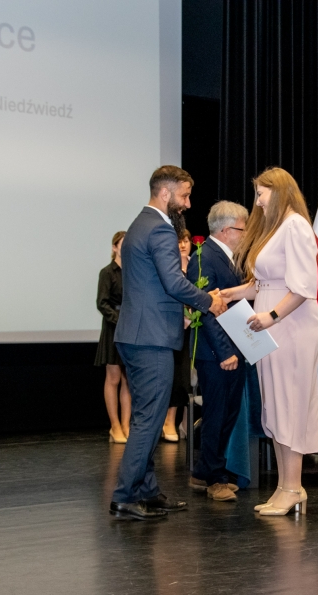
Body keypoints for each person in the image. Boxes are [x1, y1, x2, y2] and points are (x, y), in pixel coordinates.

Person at [110, 165, 227, 522]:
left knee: (147, 416)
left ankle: (146, 490)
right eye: (185, 195)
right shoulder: (160, 229)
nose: (188, 204)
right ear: (165, 193)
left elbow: (155, 285)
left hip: (137, 335)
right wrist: (209, 301)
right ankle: (125, 496)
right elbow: (173, 282)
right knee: (149, 419)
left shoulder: (138, 225)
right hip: (151, 339)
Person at [220, 167, 318, 516]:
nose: (258, 201)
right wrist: (231, 293)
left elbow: (303, 287)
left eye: (261, 193)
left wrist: (271, 316)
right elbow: (263, 283)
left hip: (291, 327)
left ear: (278, 191)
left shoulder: (295, 226)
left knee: (289, 405)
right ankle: (285, 486)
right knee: (276, 407)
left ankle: (293, 487)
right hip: (272, 328)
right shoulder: (276, 228)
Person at [187, 201, 250, 502]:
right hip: (216, 353)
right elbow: (206, 310)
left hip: (234, 348)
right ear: (226, 230)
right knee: (216, 414)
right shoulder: (203, 257)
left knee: (227, 413)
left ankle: (205, 471)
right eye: (242, 229)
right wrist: (225, 352)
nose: (246, 234)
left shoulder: (227, 257)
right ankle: (214, 479)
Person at [95, 231, 131, 444]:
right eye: (122, 244)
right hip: (113, 328)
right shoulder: (107, 272)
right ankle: (114, 426)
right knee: (114, 378)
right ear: (114, 247)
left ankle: (126, 425)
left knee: (128, 379)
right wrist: (119, 320)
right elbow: (102, 303)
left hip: (131, 329)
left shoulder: (134, 272)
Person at [162, 229, 193, 443]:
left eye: (186, 240)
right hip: (174, 329)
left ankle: (185, 422)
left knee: (190, 379)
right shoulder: (169, 267)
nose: (183, 244)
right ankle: (168, 421)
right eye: (179, 241)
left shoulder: (197, 266)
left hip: (194, 329)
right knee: (177, 376)